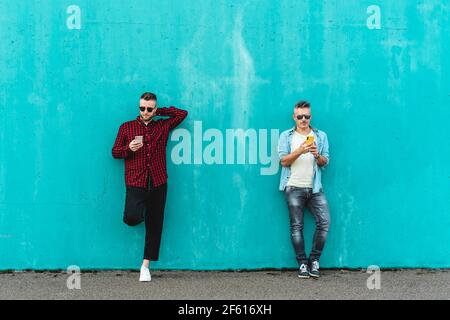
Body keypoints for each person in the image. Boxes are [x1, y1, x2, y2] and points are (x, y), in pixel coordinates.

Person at [112, 92, 187, 282]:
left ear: (153, 109)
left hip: (158, 181)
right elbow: (115, 152)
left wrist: (159, 112)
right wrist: (129, 148)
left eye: (148, 109)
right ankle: (141, 211)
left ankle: (145, 266)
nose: (144, 112)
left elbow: (182, 114)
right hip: (136, 181)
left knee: (155, 225)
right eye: (142, 108)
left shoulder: (162, 126)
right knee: (131, 217)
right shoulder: (126, 127)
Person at [277, 100, 330, 279]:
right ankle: (302, 264)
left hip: (315, 189)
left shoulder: (320, 136)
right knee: (296, 226)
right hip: (293, 187)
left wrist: (316, 154)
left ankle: (314, 260)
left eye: (306, 116)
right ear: (294, 117)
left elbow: (326, 162)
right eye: (300, 116)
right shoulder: (287, 136)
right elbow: (283, 161)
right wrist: (300, 150)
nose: (303, 119)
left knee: (324, 223)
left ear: (310, 117)